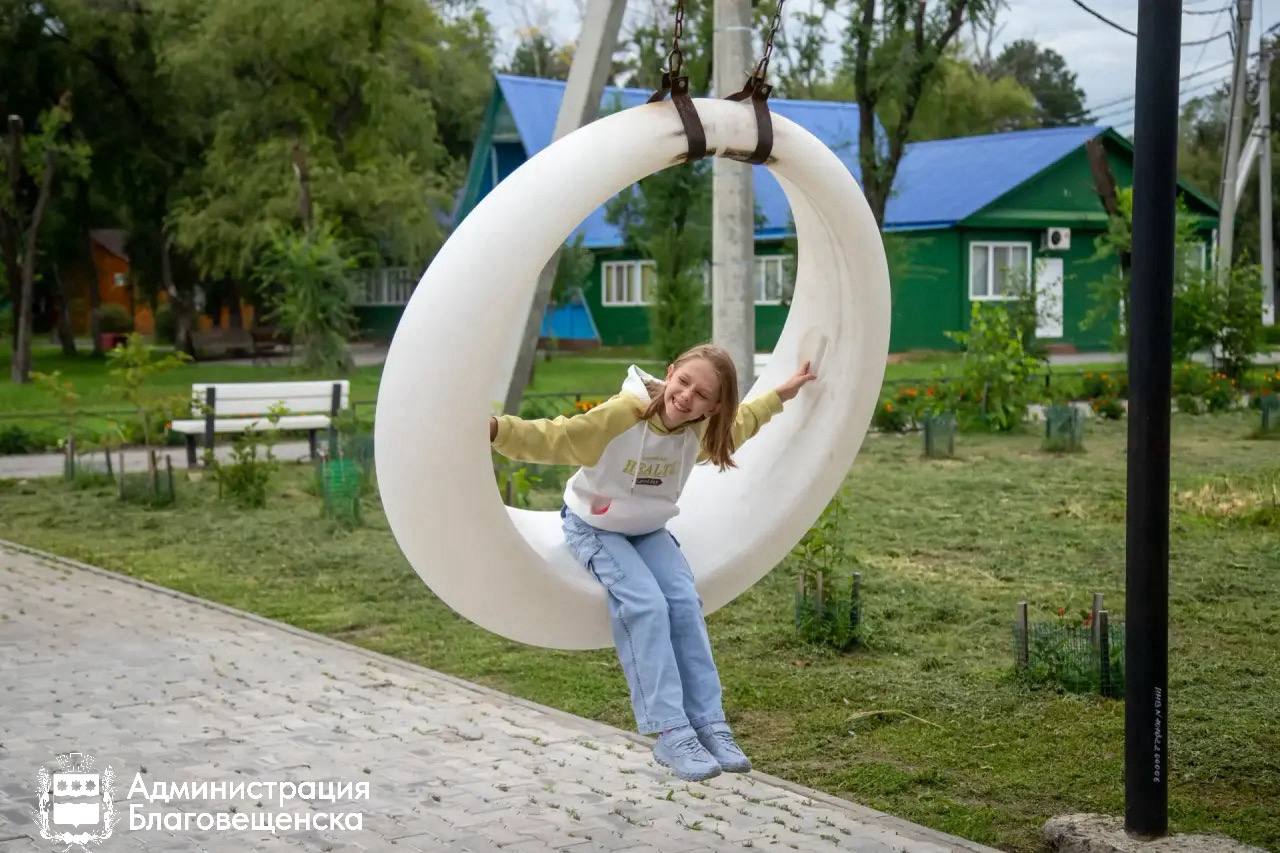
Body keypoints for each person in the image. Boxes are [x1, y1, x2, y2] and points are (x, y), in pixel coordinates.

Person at [488, 343, 817, 781]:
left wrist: (782, 394)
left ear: (714, 405)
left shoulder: (699, 431)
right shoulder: (623, 414)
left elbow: (742, 424)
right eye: (683, 383)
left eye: (702, 395)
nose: (687, 398)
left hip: (648, 530)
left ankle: (709, 723)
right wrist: (494, 429)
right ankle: (669, 730)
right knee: (646, 603)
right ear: (669, 373)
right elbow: (558, 436)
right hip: (594, 526)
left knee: (683, 601)